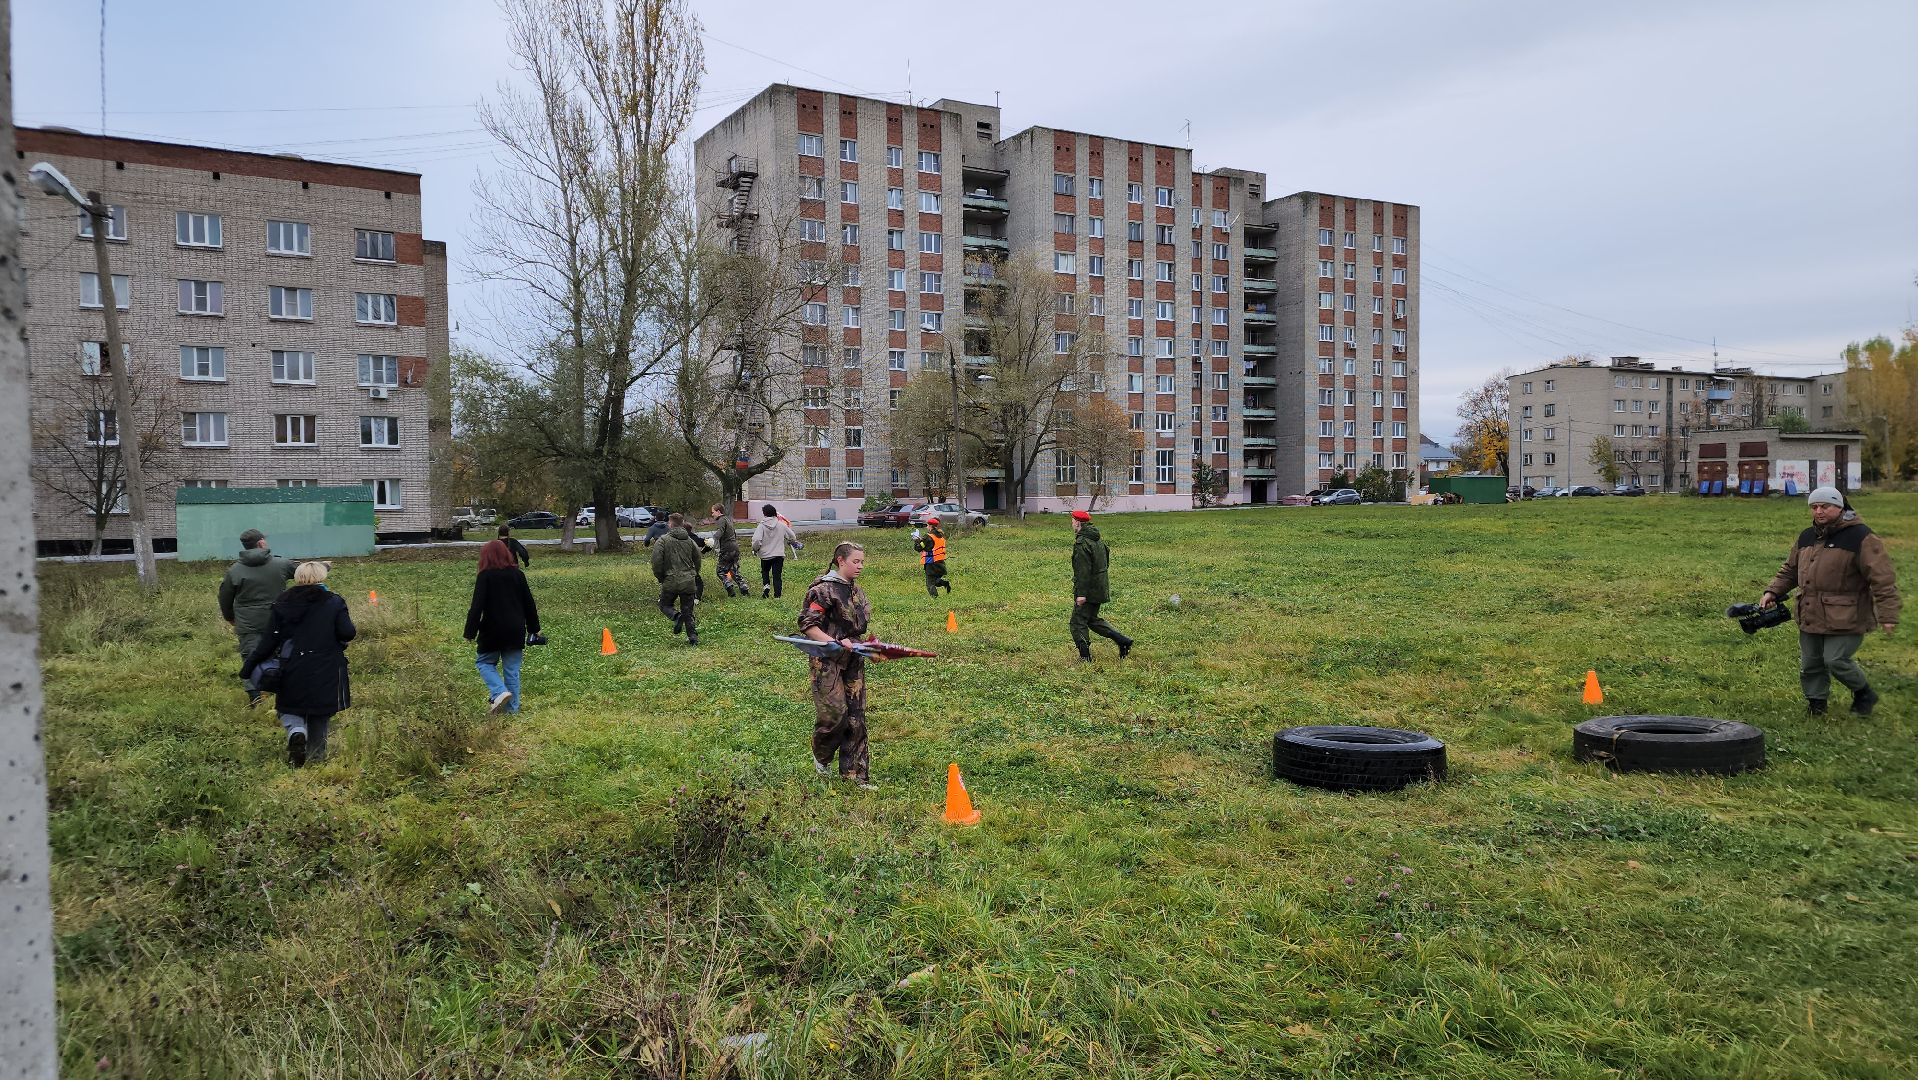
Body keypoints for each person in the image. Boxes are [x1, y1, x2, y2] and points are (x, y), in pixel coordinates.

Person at [1761, 486, 1899, 715]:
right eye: (1814, 507)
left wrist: (1889, 615)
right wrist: (1772, 592)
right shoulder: (1807, 536)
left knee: (1835, 660)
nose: (1819, 511)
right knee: (1810, 663)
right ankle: (1817, 704)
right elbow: (1790, 570)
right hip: (1810, 610)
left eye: (1825, 506)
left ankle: (1863, 692)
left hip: (1847, 614)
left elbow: (1882, 579)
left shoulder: (1862, 537)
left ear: (1840, 507)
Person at [243, 561, 355, 767]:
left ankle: (296, 732)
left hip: (291, 664)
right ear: (321, 577)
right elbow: (348, 632)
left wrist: (249, 666)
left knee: (289, 706)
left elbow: (269, 640)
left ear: (297, 578)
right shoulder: (334, 602)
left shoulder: (282, 602)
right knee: (320, 711)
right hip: (327, 665)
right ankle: (316, 757)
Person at [798, 542, 877, 788]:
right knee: (835, 715)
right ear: (841, 561)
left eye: (862, 561)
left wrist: (871, 646)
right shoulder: (822, 590)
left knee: (856, 717)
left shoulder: (856, 591)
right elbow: (808, 625)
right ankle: (822, 756)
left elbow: (857, 626)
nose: (860, 566)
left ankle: (855, 776)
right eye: (856, 561)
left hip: (853, 658)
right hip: (827, 660)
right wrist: (833, 642)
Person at [218, 528, 295, 708]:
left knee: (251, 657)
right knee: (282, 654)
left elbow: (224, 597)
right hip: (278, 620)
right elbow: (305, 573)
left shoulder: (234, 570)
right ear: (261, 543)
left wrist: (230, 617)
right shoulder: (282, 564)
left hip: (248, 623)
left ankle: (256, 699)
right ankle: (283, 694)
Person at [464, 539, 540, 714]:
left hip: (492, 630)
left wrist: (470, 632)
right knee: (512, 670)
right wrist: (534, 628)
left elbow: (477, 606)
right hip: (515, 629)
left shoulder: (485, 576)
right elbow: (529, 603)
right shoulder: (518, 575)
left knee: (484, 662)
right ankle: (512, 710)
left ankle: (499, 691)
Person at [1070, 509, 1134, 662]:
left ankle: (1085, 658)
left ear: (1078, 523)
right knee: (1092, 619)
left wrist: (1081, 594)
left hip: (1089, 590)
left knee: (1077, 622)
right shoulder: (1097, 539)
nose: (1071, 524)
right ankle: (1123, 641)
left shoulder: (1082, 543)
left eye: (1072, 521)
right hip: (1100, 587)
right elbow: (1106, 560)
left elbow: (1083, 572)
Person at [650, 512, 704, 645]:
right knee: (688, 610)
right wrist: (694, 573)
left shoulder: (663, 540)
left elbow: (656, 562)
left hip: (670, 580)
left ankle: (676, 616)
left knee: (664, 604)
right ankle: (693, 638)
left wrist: (661, 577)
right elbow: (698, 559)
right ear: (682, 524)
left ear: (670, 524)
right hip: (688, 581)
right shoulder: (690, 541)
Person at [752, 503, 803, 599]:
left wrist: (755, 549)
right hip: (778, 555)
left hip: (765, 555)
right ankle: (777, 596)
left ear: (764, 514)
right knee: (777, 576)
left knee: (765, 571)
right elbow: (792, 536)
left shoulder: (761, 526)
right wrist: (790, 541)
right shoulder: (781, 525)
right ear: (774, 513)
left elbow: (757, 540)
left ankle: (766, 586)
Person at [707, 504, 746, 597]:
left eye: (713, 512)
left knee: (720, 571)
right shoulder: (728, 520)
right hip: (735, 547)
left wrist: (712, 540)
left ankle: (730, 589)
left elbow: (720, 531)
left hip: (727, 549)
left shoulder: (721, 520)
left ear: (718, 512)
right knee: (734, 570)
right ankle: (744, 588)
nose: (712, 514)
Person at [912, 516, 952, 597]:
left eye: (927, 525)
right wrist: (921, 540)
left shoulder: (928, 536)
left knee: (930, 583)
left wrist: (916, 540)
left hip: (931, 563)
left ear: (930, 526)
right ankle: (945, 583)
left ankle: (935, 600)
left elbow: (919, 548)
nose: (927, 527)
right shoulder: (941, 536)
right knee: (935, 581)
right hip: (941, 563)